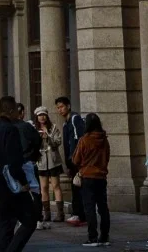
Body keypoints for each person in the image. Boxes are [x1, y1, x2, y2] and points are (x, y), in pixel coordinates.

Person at [0, 97, 39, 252]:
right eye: (16, 109)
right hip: (13, 185)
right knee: (30, 220)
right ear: (10, 111)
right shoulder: (11, 130)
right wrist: (23, 182)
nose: (18, 112)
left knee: (6, 224)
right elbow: (14, 160)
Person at [71, 113, 110, 246]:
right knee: (103, 208)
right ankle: (104, 237)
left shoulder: (84, 139)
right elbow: (107, 157)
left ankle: (92, 237)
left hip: (87, 177)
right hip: (101, 177)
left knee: (89, 208)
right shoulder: (104, 139)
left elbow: (75, 159)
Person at [55, 96, 86, 228]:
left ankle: (81, 214)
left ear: (68, 106)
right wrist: (68, 164)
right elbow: (67, 145)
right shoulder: (65, 123)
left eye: (62, 106)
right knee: (75, 187)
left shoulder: (74, 119)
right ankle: (77, 213)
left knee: (79, 187)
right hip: (72, 161)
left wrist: (76, 159)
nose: (60, 110)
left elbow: (79, 139)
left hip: (77, 160)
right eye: (58, 108)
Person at [34, 107, 65, 227]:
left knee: (56, 185)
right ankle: (47, 213)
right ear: (36, 117)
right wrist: (38, 138)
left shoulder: (54, 128)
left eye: (44, 115)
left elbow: (58, 142)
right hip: (41, 162)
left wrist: (48, 137)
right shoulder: (35, 129)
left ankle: (60, 213)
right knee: (44, 187)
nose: (42, 117)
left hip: (53, 161)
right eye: (39, 115)